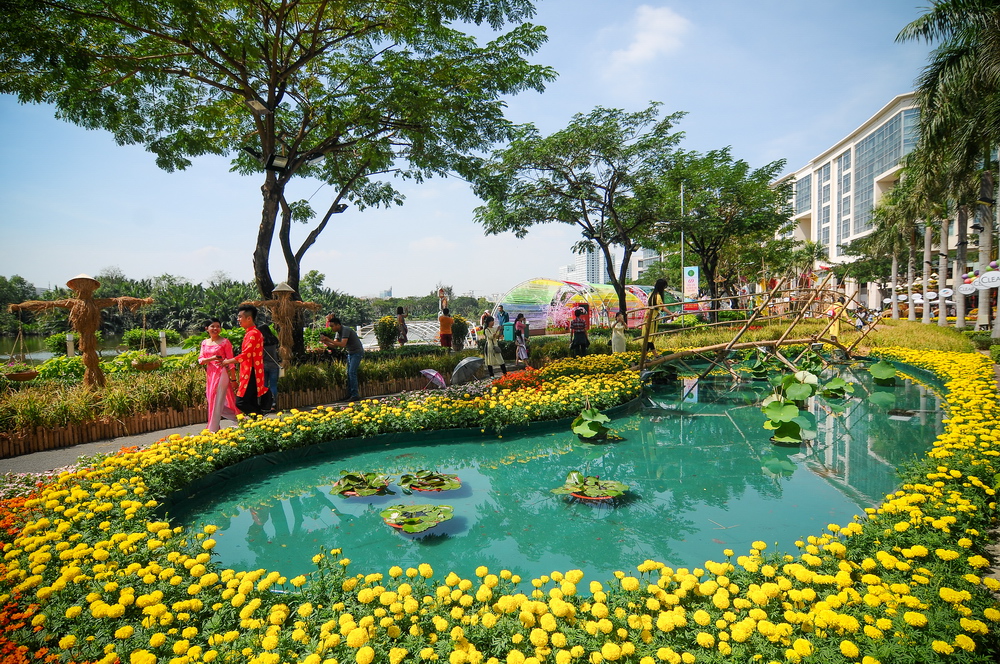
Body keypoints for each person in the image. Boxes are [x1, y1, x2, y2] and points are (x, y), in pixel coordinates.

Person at [223, 304, 272, 416]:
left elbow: (246, 355)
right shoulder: (251, 333)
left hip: (251, 372)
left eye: (240, 317)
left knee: (241, 402)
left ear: (249, 318)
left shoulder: (253, 334)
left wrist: (227, 361)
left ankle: (259, 417)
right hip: (250, 371)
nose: (238, 319)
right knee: (251, 401)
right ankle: (258, 425)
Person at [198, 318, 239, 431]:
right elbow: (200, 360)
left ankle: (213, 429)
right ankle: (238, 418)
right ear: (207, 329)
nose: (215, 329)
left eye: (218, 326)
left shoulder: (225, 342)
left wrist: (234, 380)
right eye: (213, 326)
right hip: (211, 374)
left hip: (222, 374)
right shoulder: (204, 343)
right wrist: (212, 358)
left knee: (217, 400)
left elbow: (231, 362)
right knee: (211, 399)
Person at [320, 315, 364, 401]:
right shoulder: (338, 333)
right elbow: (334, 345)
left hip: (357, 352)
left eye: (332, 326)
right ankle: (350, 394)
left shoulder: (345, 330)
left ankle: (355, 395)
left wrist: (328, 339)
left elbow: (342, 344)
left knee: (352, 372)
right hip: (350, 353)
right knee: (348, 373)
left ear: (338, 325)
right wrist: (325, 342)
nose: (331, 328)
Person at [259, 323, 280, 412]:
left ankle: (264, 404)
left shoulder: (261, 341)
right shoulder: (274, 340)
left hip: (263, 365)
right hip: (274, 365)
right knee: (273, 386)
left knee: (264, 385)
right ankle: (273, 405)